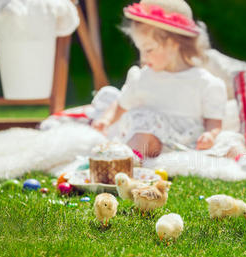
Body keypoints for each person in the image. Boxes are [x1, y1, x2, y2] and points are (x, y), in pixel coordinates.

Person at [92, 0, 227, 158]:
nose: (143, 57)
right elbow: (122, 104)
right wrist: (106, 119)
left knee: (146, 129)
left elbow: (213, 121)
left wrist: (210, 135)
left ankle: (127, 160)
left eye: (148, 49)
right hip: (145, 139)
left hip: (180, 143)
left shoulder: (203, 83)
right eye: (140, 50)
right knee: (143, 128)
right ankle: (127, 160)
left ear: (173, 44)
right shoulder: (142, 77)